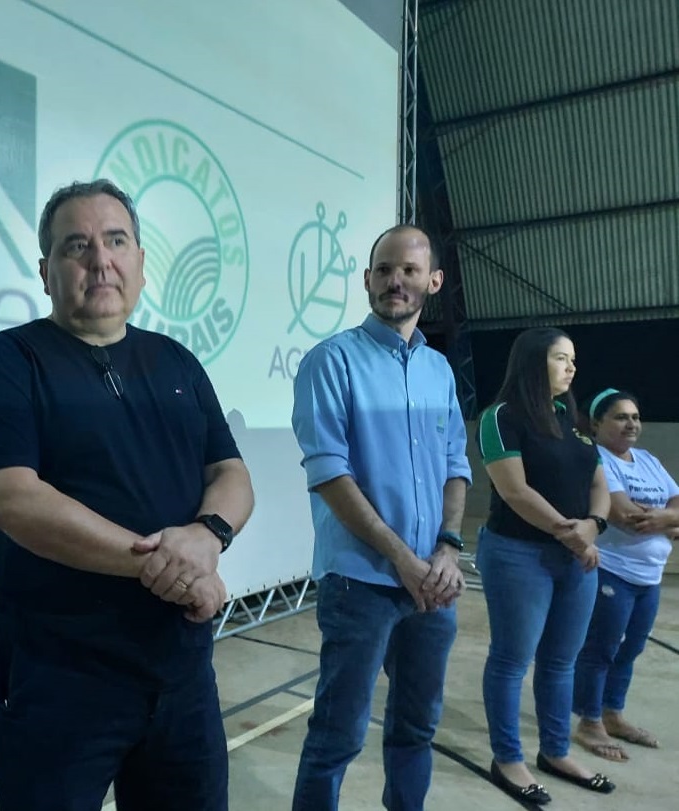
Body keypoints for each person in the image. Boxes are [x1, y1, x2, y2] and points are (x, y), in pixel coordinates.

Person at [0, 178, 254, 811]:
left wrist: (208, 536)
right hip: (59, 679)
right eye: (77, 246)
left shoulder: (177, 362)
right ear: (46, 271)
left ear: (140, 262)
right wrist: (168, 569)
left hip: (181, 676)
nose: (100, 260)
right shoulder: (6, 363)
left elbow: (231, 473)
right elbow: (14, 501)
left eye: (116, 242)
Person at [290, 224, 472, 811]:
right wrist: (403, 560)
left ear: (433, 282)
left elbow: (455, 466)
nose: (396, 280)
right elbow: (329, 474)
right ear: (367, 279)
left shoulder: (439, 371)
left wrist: (447, 548)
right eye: (385, 270)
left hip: (433, 585)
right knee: (337, 738)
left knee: (416, 729)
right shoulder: (331, 361)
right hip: (360, 583)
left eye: (409, 270)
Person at [476, 327, 615, 804]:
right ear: (534, 361)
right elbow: (514, 490)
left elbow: (599, 483)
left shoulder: (570, 420)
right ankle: (507, 758)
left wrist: (593, 526)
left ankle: (556, 751)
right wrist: (570, 533)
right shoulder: (501, 417)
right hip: (518, 555)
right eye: (561, 358)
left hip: (575, 556)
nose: (571, 367)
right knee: (512, 660)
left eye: (573, 359)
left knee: (560, 662)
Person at [573, 388, 679, 760]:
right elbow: (623, 515)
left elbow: (675, 503)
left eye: (634, 417)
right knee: (601, 648)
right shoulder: (597, 458)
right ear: (596, 423)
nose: (631, 424)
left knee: (630, 648)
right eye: (620, 417)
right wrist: (669, 520)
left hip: (650, 575)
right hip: (612, 570)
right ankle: (589, 721)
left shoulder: (647, 460)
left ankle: (612, 714)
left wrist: (664, 518)